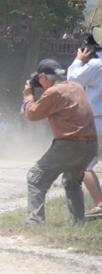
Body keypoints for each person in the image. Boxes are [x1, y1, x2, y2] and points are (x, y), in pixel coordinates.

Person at [22, 59, 98, 225]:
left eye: (40, 79)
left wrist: (28, 96)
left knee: (36, 177)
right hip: (90, 144)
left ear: (43, 76)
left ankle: (34, 222)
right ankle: (77, 222)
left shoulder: (53, 92)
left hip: (70, 144)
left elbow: (32, 114)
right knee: (72, 181)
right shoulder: (76, 86)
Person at [66, 29, 102, 215]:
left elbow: (73, 79)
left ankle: (100, 204)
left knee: (85, 164)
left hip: (96, 121)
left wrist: (79, 59)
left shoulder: (96, 64)